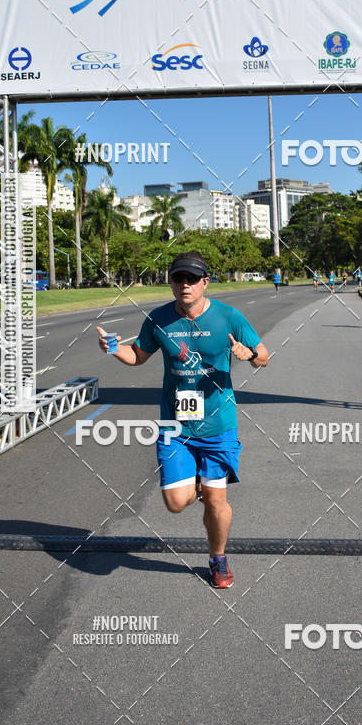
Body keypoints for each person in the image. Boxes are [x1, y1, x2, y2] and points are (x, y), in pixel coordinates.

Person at [96, 251, 269, 589]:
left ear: (205, 282)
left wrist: (248, 355)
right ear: (171, 282)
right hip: (175, 426)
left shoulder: (229, 317)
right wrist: (114, 347)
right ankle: (200, 487)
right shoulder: (159, 319)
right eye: (179, 278)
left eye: (192, 279)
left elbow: (264, 356)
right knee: (175, 503)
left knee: (217, 501)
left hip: (218, 425)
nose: (185, 284)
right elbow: (138, 356)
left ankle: (218, 558)